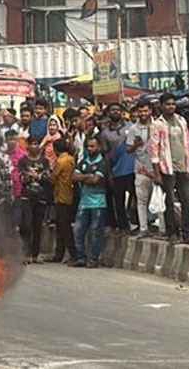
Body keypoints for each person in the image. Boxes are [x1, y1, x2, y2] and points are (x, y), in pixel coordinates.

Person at [150, 93, 189, 244]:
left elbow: (187, 143)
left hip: (183, 166)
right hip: (167, 168)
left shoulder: (181, 121)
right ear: (161, 106)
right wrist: (157, 173)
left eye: (173, 104)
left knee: (187, 201)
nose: (171, 107)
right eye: (168, 104)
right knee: (169, 202)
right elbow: (154, 150)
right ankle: (172, 233)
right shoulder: (157, 124)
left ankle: (187, 233)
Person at [72, 135, 109, 268]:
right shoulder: (83, 161)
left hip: (99, 203)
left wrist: (83, 177)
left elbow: (96, 180)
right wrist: (88, 176)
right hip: (84, 201)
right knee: (78, 230)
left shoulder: (103, 163)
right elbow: (74, 177)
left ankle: (93, 259)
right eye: (88, 146)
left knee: (95, 232)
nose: (90, 149)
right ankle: (81, 257)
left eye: (93, 146)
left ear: (99, 147)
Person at [17, 136, 52, 264]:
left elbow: (48, 177)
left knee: (38, 226)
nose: (34, 146)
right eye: (32, 144)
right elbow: (22, 178)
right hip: (27, 196)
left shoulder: (45, 161)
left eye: (36, 144)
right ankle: (25, 254)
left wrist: (36, 176)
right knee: (26, 225)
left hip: (41, 197)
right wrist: (30, 176)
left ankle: (35, 254)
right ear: (28, 146)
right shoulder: (23, 161)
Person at [102, 103, 135, 234]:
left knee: (135, 198)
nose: (115, 112)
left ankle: (136, 223)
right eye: (112, 110)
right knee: (118, 200)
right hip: (116, 170)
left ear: (122, 112)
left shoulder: (131, 127)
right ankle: (123, 226)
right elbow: (106, 154)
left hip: (132, 168)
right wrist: (109, 173)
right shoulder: (105, 133)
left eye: (118, 110)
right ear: (108, 113)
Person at [128, 101, 158, 237]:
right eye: (140, 111)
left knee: (158, 199)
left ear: (150, 111)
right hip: (140, 168)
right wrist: (136, 145)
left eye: (145, 111)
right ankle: (143, 228)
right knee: (141, 200)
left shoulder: (158, 125)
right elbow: (128, 149)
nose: (143, 114)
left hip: (157, 168)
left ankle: (161, 229)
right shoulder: (134, 129)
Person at [51, 139, 78, 264]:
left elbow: (53, 177)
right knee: (63, 226)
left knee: (64, 227)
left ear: (56, 149)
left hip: (61, 195)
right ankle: (59, 254)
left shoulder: (61, 161)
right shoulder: (71, 159)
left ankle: (72, 254)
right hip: (69, 195)